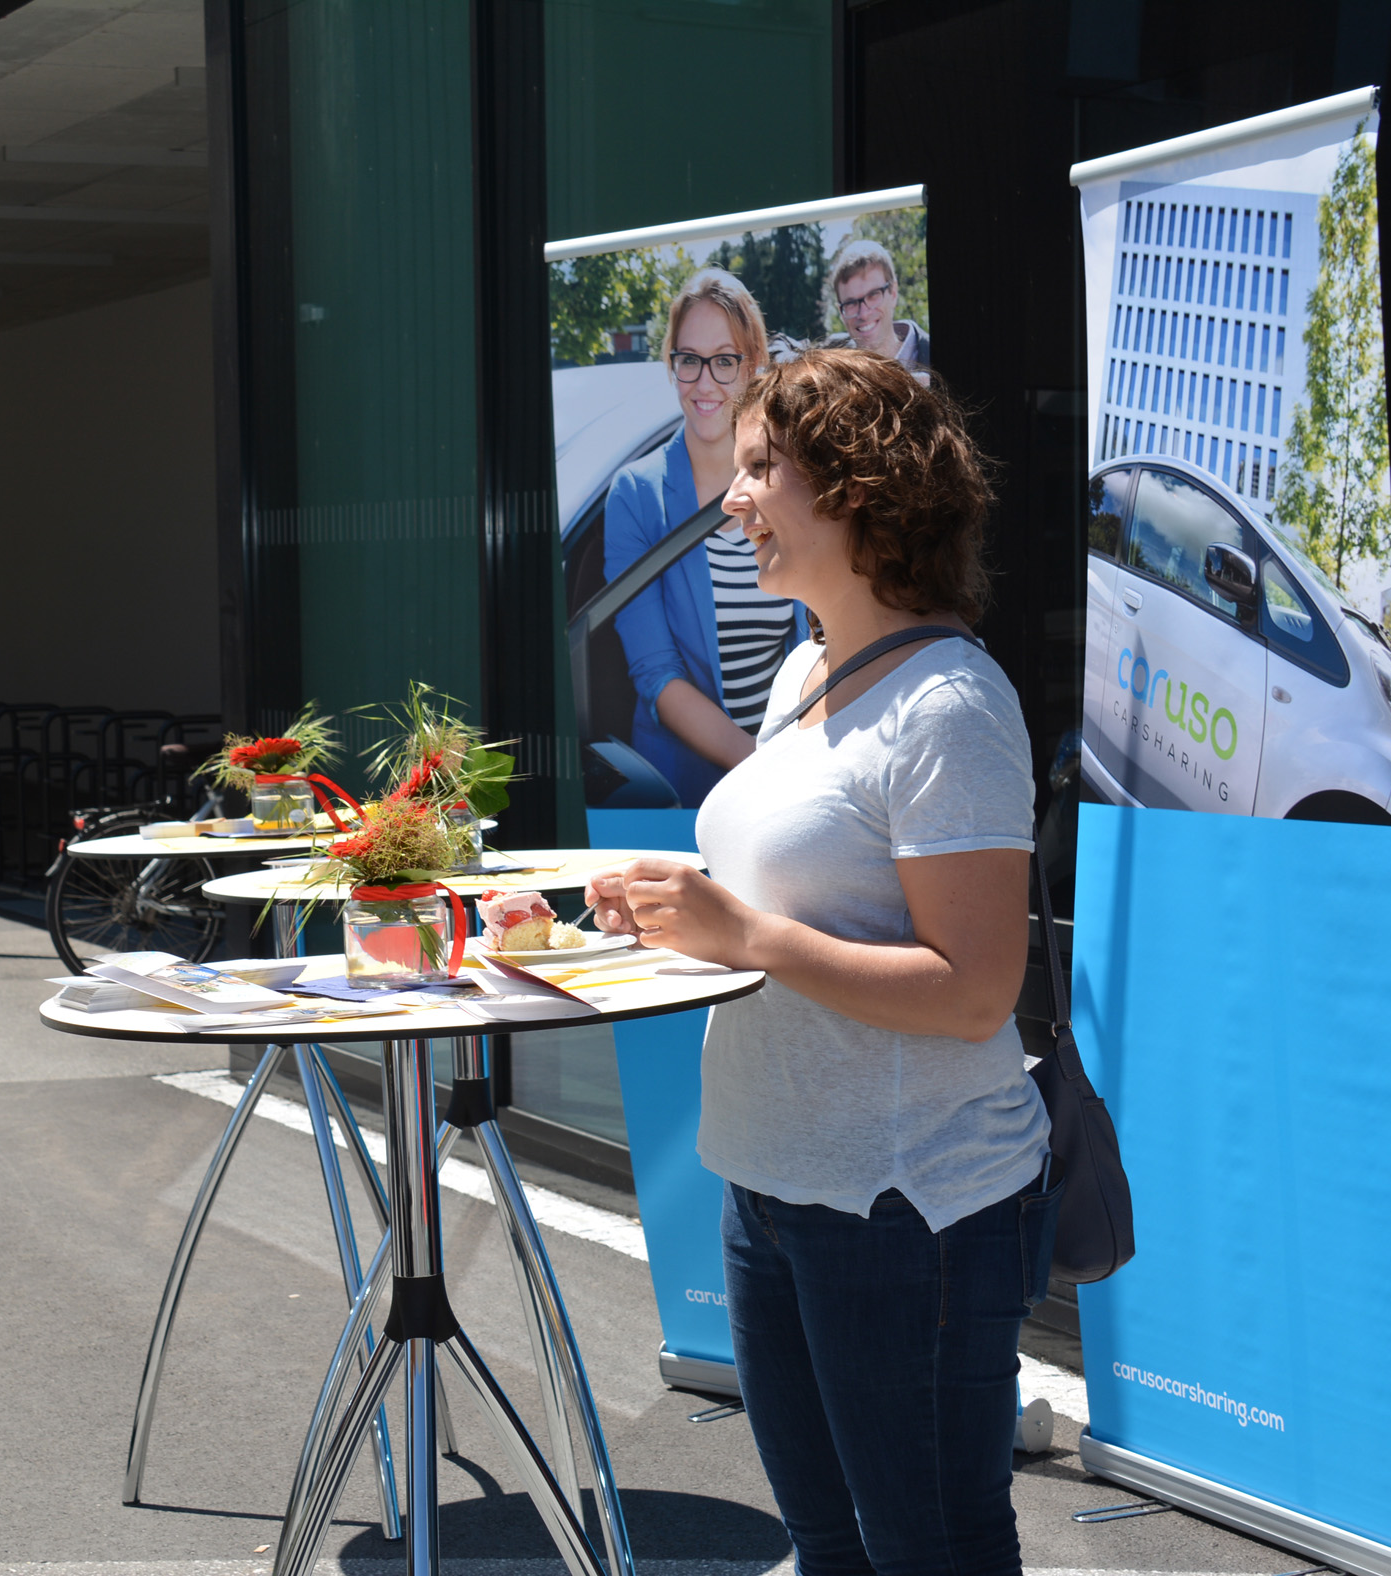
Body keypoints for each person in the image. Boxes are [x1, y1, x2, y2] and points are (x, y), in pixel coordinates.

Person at [589, 348, 1058, 1576]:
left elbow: (974, 992)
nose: (731, 499)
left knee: (930, 1550)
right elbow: (789, 896)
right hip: (771, 1184)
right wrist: (663, 912)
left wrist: (744, 935)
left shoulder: (950, 706)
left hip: (906, 1210)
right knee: (828, 1550)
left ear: (856, 487)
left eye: (760, 469)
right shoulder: (806, 671)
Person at [602, 268, 807, 806]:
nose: (705, 382)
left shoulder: (791, 479)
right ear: (672, 365)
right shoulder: (636, 495)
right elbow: (656, 674)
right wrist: (762, 765)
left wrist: (805, 760)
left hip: (795, 776)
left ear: (753, 365)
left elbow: (819, 637)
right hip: (684, 793)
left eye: (724, 360)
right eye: (689, 360)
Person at [826, 237, 931, 375]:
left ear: (893, 293)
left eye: (873, 295)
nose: (863, 314)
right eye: (851, 303)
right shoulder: (832, 370)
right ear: (841, 312)